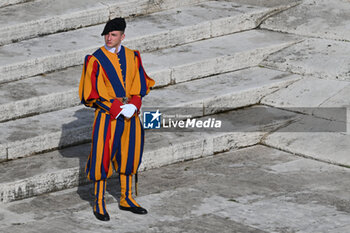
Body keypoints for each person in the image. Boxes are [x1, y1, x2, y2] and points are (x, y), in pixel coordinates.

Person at [79, 17, 155, 221]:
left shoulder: (133, 56)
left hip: (130, 114)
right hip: (107, 117)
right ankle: (99, 202)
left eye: (113, 35)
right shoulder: (95, 60)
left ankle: (127, 198)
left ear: (122, 36)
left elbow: (140, 83)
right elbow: (91, 94)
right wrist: (117, 107)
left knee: (130, 154)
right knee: (101, 157)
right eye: (106, 34)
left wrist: (135, 104)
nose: (108, 38)